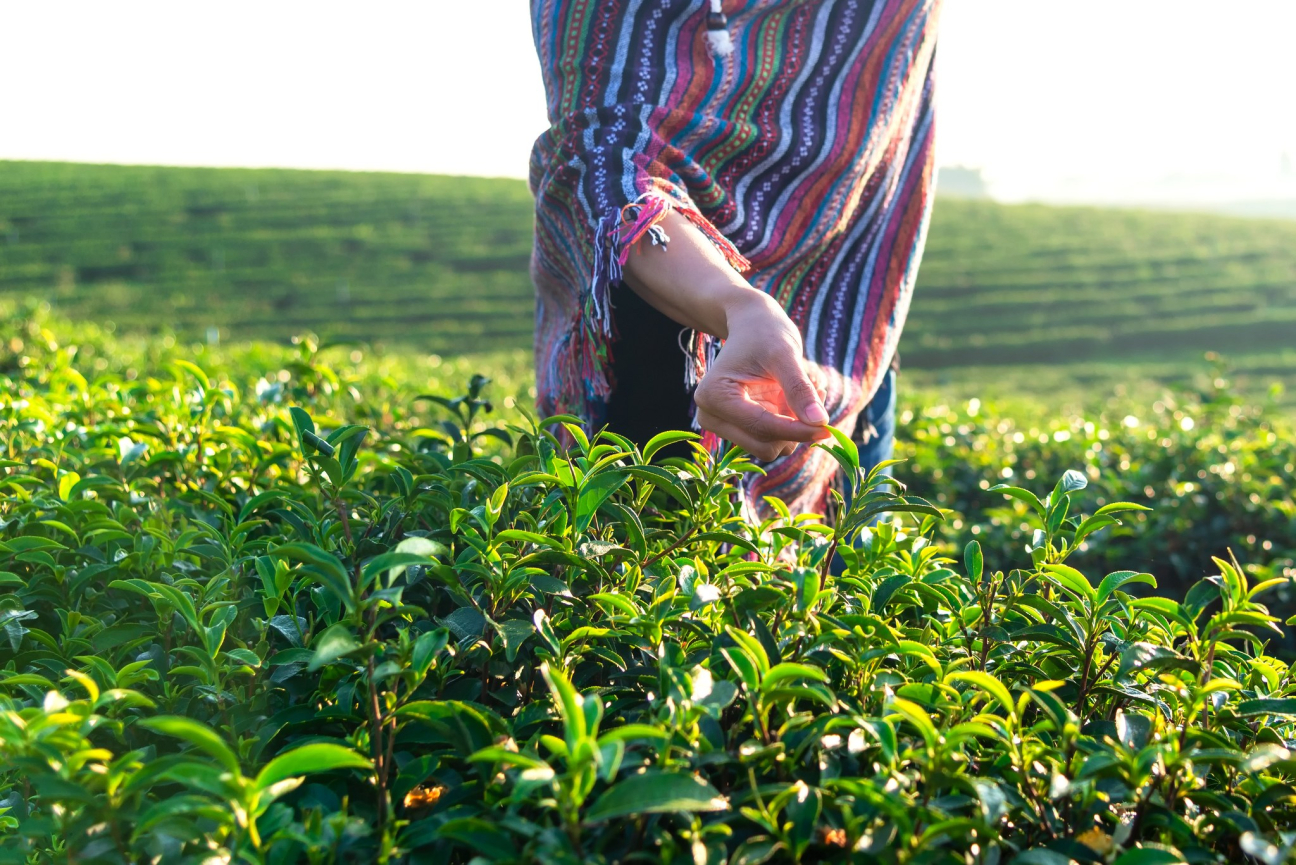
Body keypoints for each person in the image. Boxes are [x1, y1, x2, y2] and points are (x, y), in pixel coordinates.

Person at [529, 0, 940, 518]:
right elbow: (602, 156)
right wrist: (739, 306)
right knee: (641, 568)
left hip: (849, 351)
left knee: (842, 581)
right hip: (646, 351)